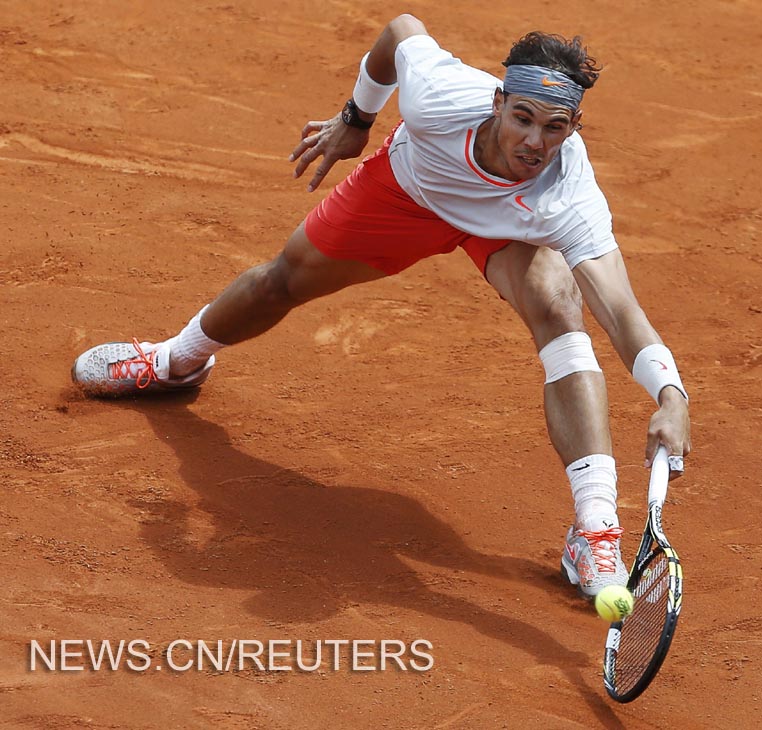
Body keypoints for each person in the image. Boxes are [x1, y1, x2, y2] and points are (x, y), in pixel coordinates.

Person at [72, 14, 691, 600]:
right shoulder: (442, 96)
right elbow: (400, 32)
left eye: (553, 128)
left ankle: (596, 531)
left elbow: (621, 312)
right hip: (408, 194)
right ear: (497, 101)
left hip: (509, 232)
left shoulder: (570, 195)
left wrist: (671, 397)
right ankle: (175, 360)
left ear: (573, 129)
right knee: (280, 283)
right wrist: (356, 116)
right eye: (522, 118)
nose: (534, 141)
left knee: (561, 308)